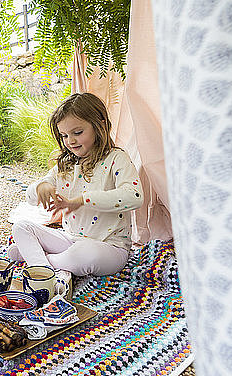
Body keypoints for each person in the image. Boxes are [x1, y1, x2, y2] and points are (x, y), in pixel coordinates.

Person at [8, 92, 144, 286]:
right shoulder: (67, 164)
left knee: (84, 254)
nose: (70, 141)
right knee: (21, 226)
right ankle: (44, 268)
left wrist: (82, 200)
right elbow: (30, 198)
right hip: (70, 239)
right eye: (64, 135)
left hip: (109, 248)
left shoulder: (116, 159)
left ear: (100, 126)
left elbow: (135, 197)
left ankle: (40, 262)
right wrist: (42, 186)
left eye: (77, 133)